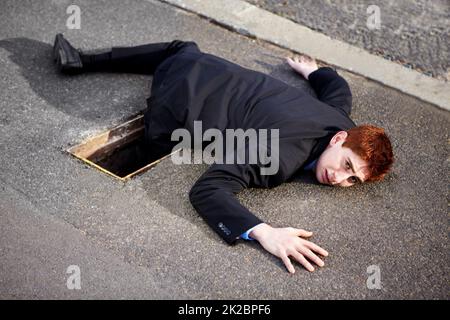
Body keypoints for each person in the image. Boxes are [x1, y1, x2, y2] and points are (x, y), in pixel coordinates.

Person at [53, 34, 394, 274]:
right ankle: (81, 62)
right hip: (177, 104)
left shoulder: (339, 120)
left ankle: (82, 58)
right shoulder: (278, 157)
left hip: (207, 66)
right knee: (157, 143)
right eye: (346, 165)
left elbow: (337, 90)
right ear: (338, 140)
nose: (338, 178)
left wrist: (315, 71)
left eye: (353, 179)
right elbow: (207, 189)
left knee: (180, 48)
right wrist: (265, 232)